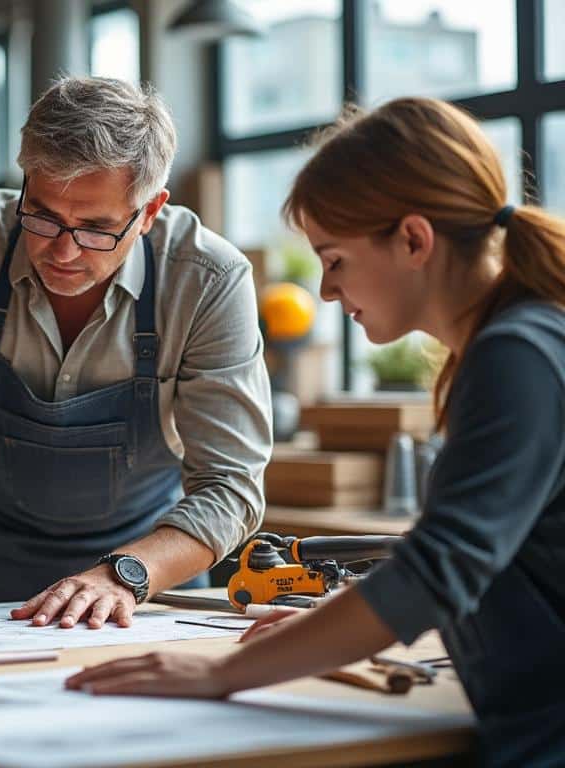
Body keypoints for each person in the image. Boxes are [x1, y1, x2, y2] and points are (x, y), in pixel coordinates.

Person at [64, 97, 565, 766]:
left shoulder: (518, 354)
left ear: (414, 240)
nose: (326, 292)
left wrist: (220, 675)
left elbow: (441, 570)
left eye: (334, 260)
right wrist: (340, 627)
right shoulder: (525, 340)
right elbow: (494, 568)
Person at [0, 76, 271, 627]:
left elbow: (231, 485)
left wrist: (122, 575)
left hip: (145, 580)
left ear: (149, 212)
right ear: (25, 183)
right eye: (44, 216)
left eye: (96, 228)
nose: (63, 250)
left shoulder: (208, 279)